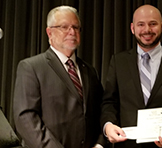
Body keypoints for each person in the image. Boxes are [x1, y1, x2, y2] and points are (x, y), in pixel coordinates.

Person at [101, 4, 162, 148]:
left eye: (153, 24)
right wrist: (108, 125)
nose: (147, 30)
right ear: (132, 28)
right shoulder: (118, 62)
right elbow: (109, 102)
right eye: (141, 24)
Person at [13, 6, 106, 148]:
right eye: (64, 27)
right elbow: (26, 119)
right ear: (49, 32)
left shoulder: (89, 71)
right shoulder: (31, 67)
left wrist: (100, 144)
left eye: (76, 27)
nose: (72, 32)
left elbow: (101, 112)